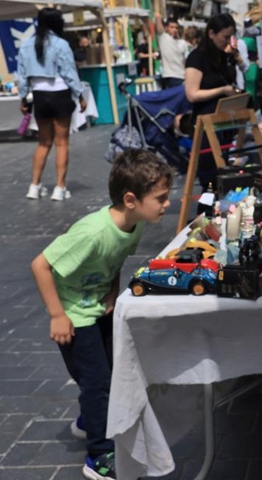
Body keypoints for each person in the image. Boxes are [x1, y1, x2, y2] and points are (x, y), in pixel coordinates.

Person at [30, 149, 173, 480]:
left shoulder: (133, 224)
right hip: (74, 317)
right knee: (98, 384)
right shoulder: (93, 232)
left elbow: (116, 259)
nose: (167, 204)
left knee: (106, 375)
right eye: (161, 198)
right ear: (131, 199)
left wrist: (112, 292)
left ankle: (88, 418)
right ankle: (98, 455)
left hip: (98, 308)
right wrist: (57, 316)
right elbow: (40, 265)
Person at [16, 8, 86, 202]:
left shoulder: (27, 44)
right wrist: (79, 95)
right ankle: (59, 188)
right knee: (61, 142)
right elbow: (70, 73)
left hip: (39, 95)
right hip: (60, 93)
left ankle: (34, 186)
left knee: (43, 142)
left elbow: (22, 75)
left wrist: (23, 99)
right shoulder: (61, 44)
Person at [184, 13, 239, 188]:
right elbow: (192, 94)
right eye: (225, 37)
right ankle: (207, 210)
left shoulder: (223, 56)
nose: (228, 41)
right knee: (209, 176)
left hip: (225, 123)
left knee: (225, 174)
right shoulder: (197, 57)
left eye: (231, 36)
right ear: (211, 34)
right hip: (205, 126)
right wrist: (222, 90)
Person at [152, 12, 186, 89]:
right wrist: (158, 18)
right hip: (170, 76)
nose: (174, 30)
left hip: (182, 76)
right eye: (172, 27)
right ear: (167, 28)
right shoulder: (164, 38)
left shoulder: (182, 43)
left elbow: (184, 60)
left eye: (176, 27)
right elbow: (160, 29)